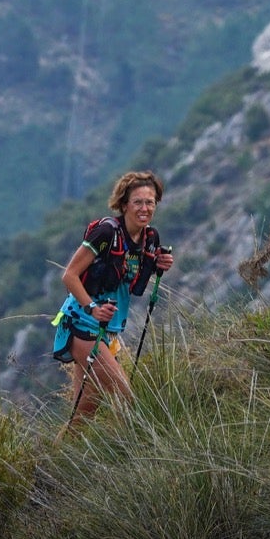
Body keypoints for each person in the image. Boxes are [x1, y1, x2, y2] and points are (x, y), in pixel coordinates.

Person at [52, 170, 173, 427]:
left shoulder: (149, 239)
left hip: (109, 330)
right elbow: (69, 276)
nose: (144, 208)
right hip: (81, 324)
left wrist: (159, 264)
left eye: (150, 202)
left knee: (83, 416)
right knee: (125, 396)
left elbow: (131, 279)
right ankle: (135, 454)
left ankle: (51, 465)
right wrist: (93, 308)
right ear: (124, 204)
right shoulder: (106, 233)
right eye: (138, 202)